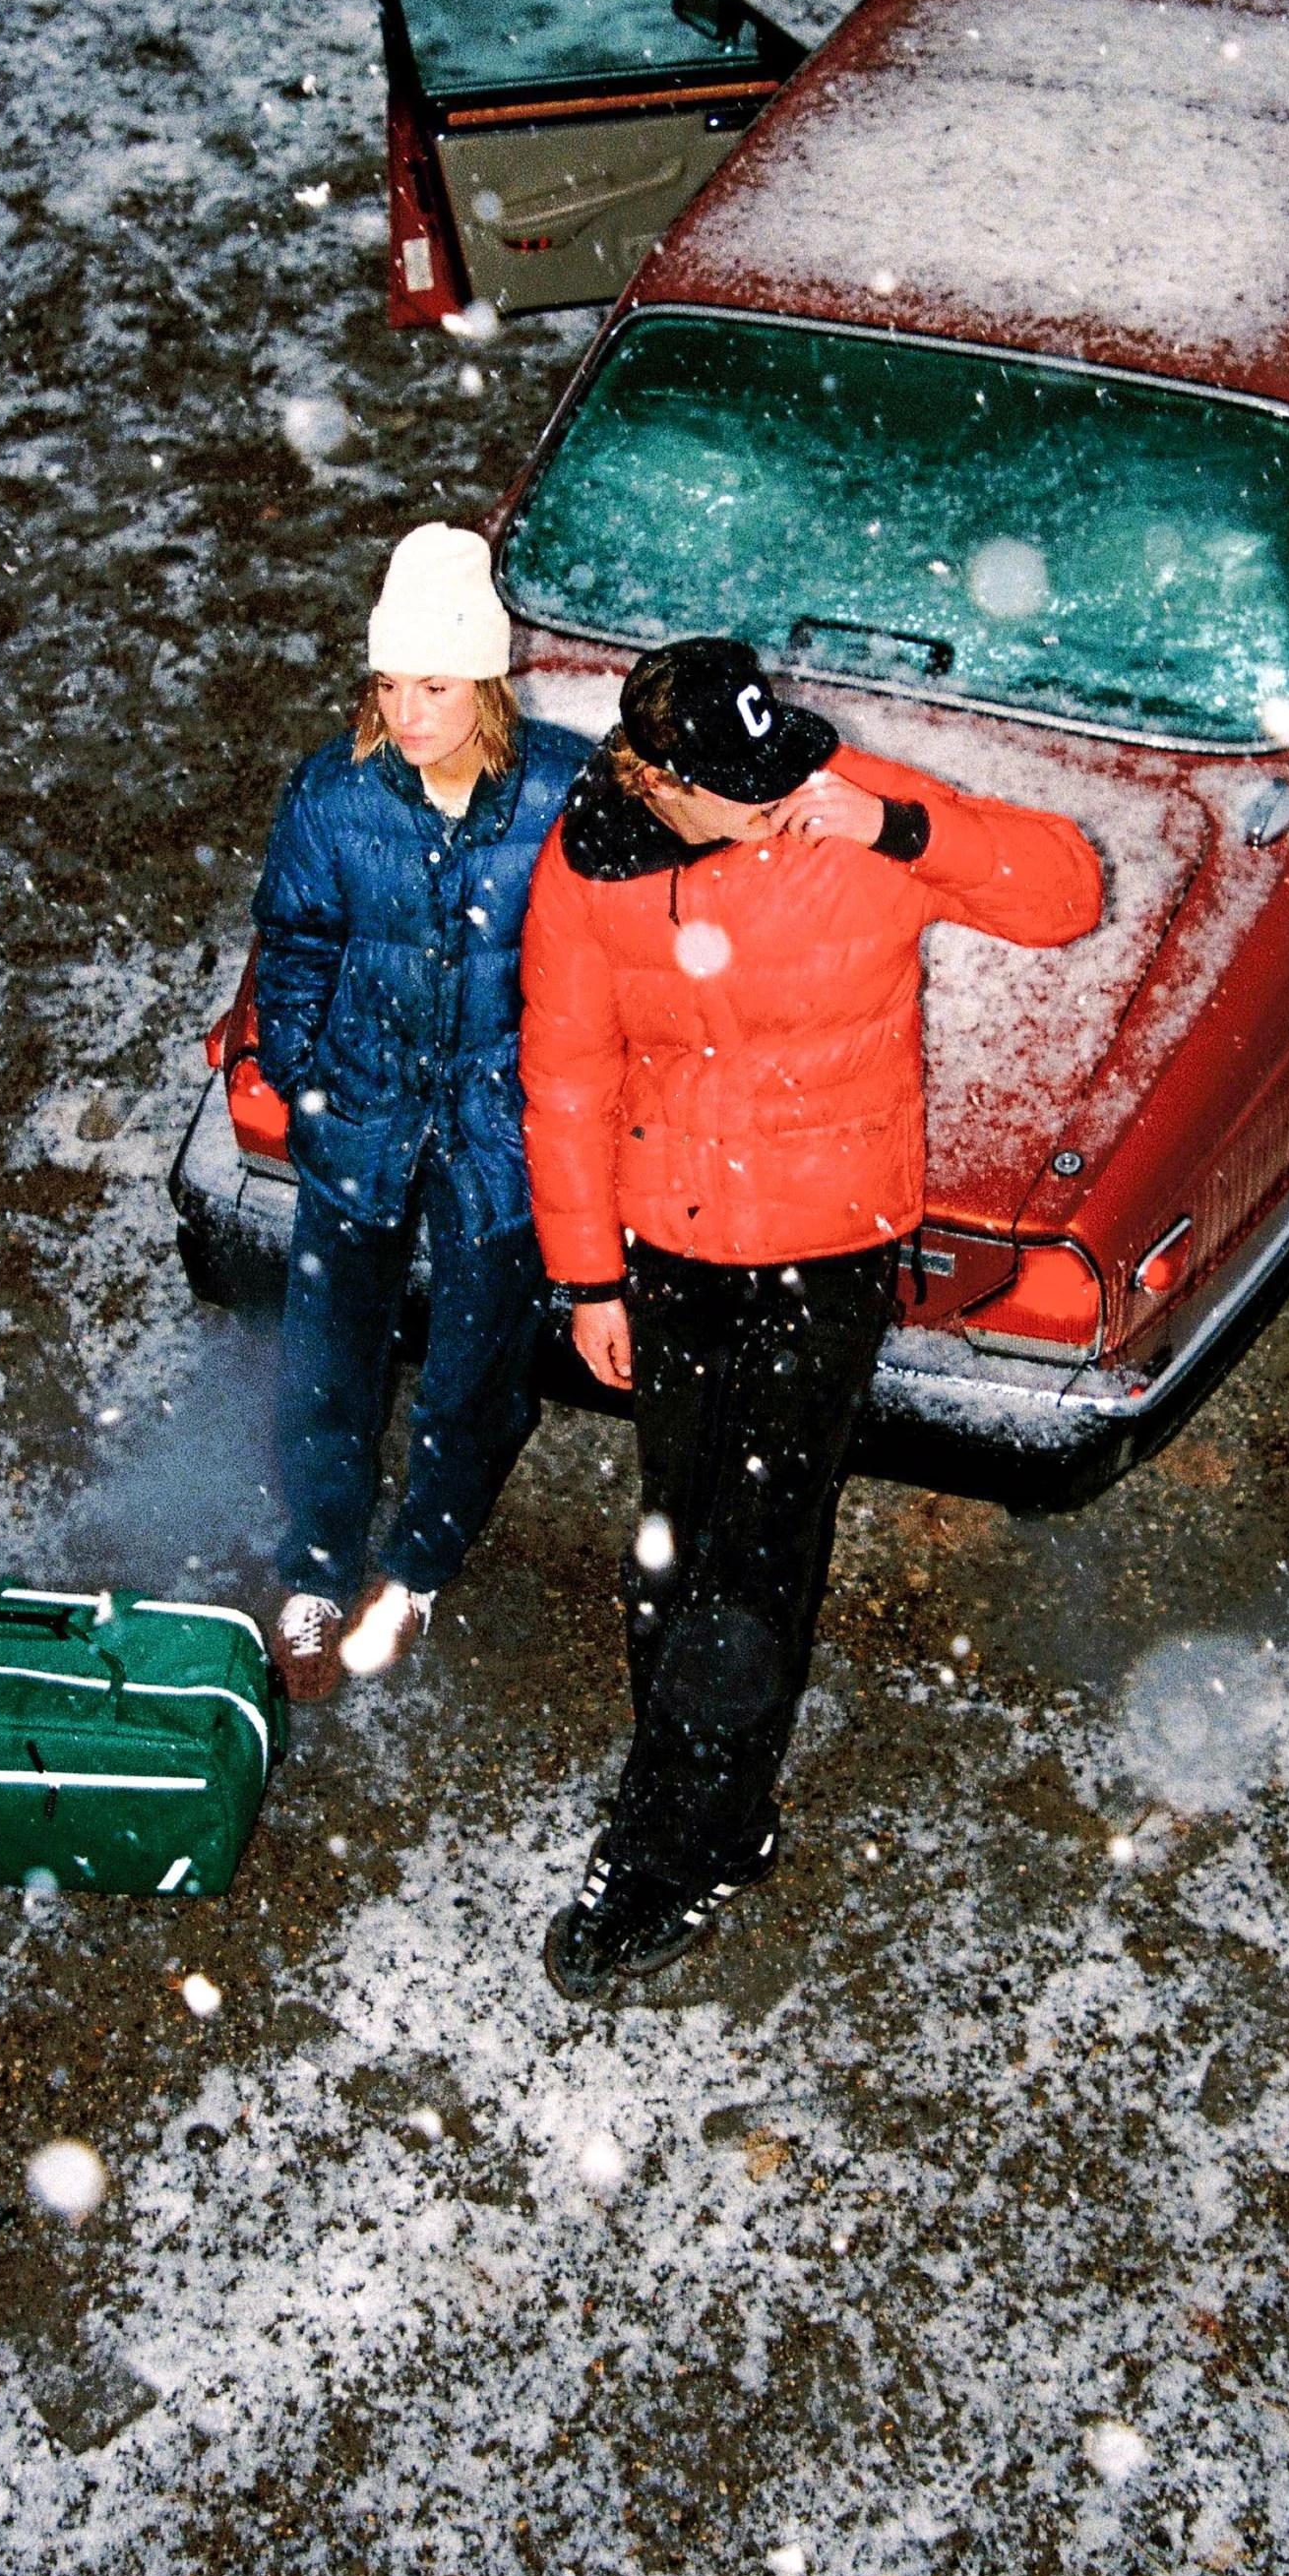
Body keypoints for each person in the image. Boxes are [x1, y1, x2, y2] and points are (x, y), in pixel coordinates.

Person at [519, 634, 1105, 1997]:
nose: (778, 793)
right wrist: (589, 1275)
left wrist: (900, 822)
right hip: (672, 1251)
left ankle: (675, 1845)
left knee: (752, 1554)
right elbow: (566, 1074)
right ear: (654, 779)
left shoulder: (850, 808)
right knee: (674, 1540)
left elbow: (1065, 890)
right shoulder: (590, 863)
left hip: (830, 1247)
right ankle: (708, 1798)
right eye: (739, 783)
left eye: (777, 761)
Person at [252, 524, 585, 1699]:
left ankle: (417, 1565)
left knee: (474, 1368)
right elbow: (293, 944)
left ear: (486, 680)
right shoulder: (335, 792)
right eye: (390, 683)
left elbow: (608, 969)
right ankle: (313, 1567)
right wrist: (305, 1078)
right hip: (361, 1114)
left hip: (502, 1135)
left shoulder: (562, 792)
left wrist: (561, 1112)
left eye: (434, 684)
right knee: (327, 1356)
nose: (407, 709)